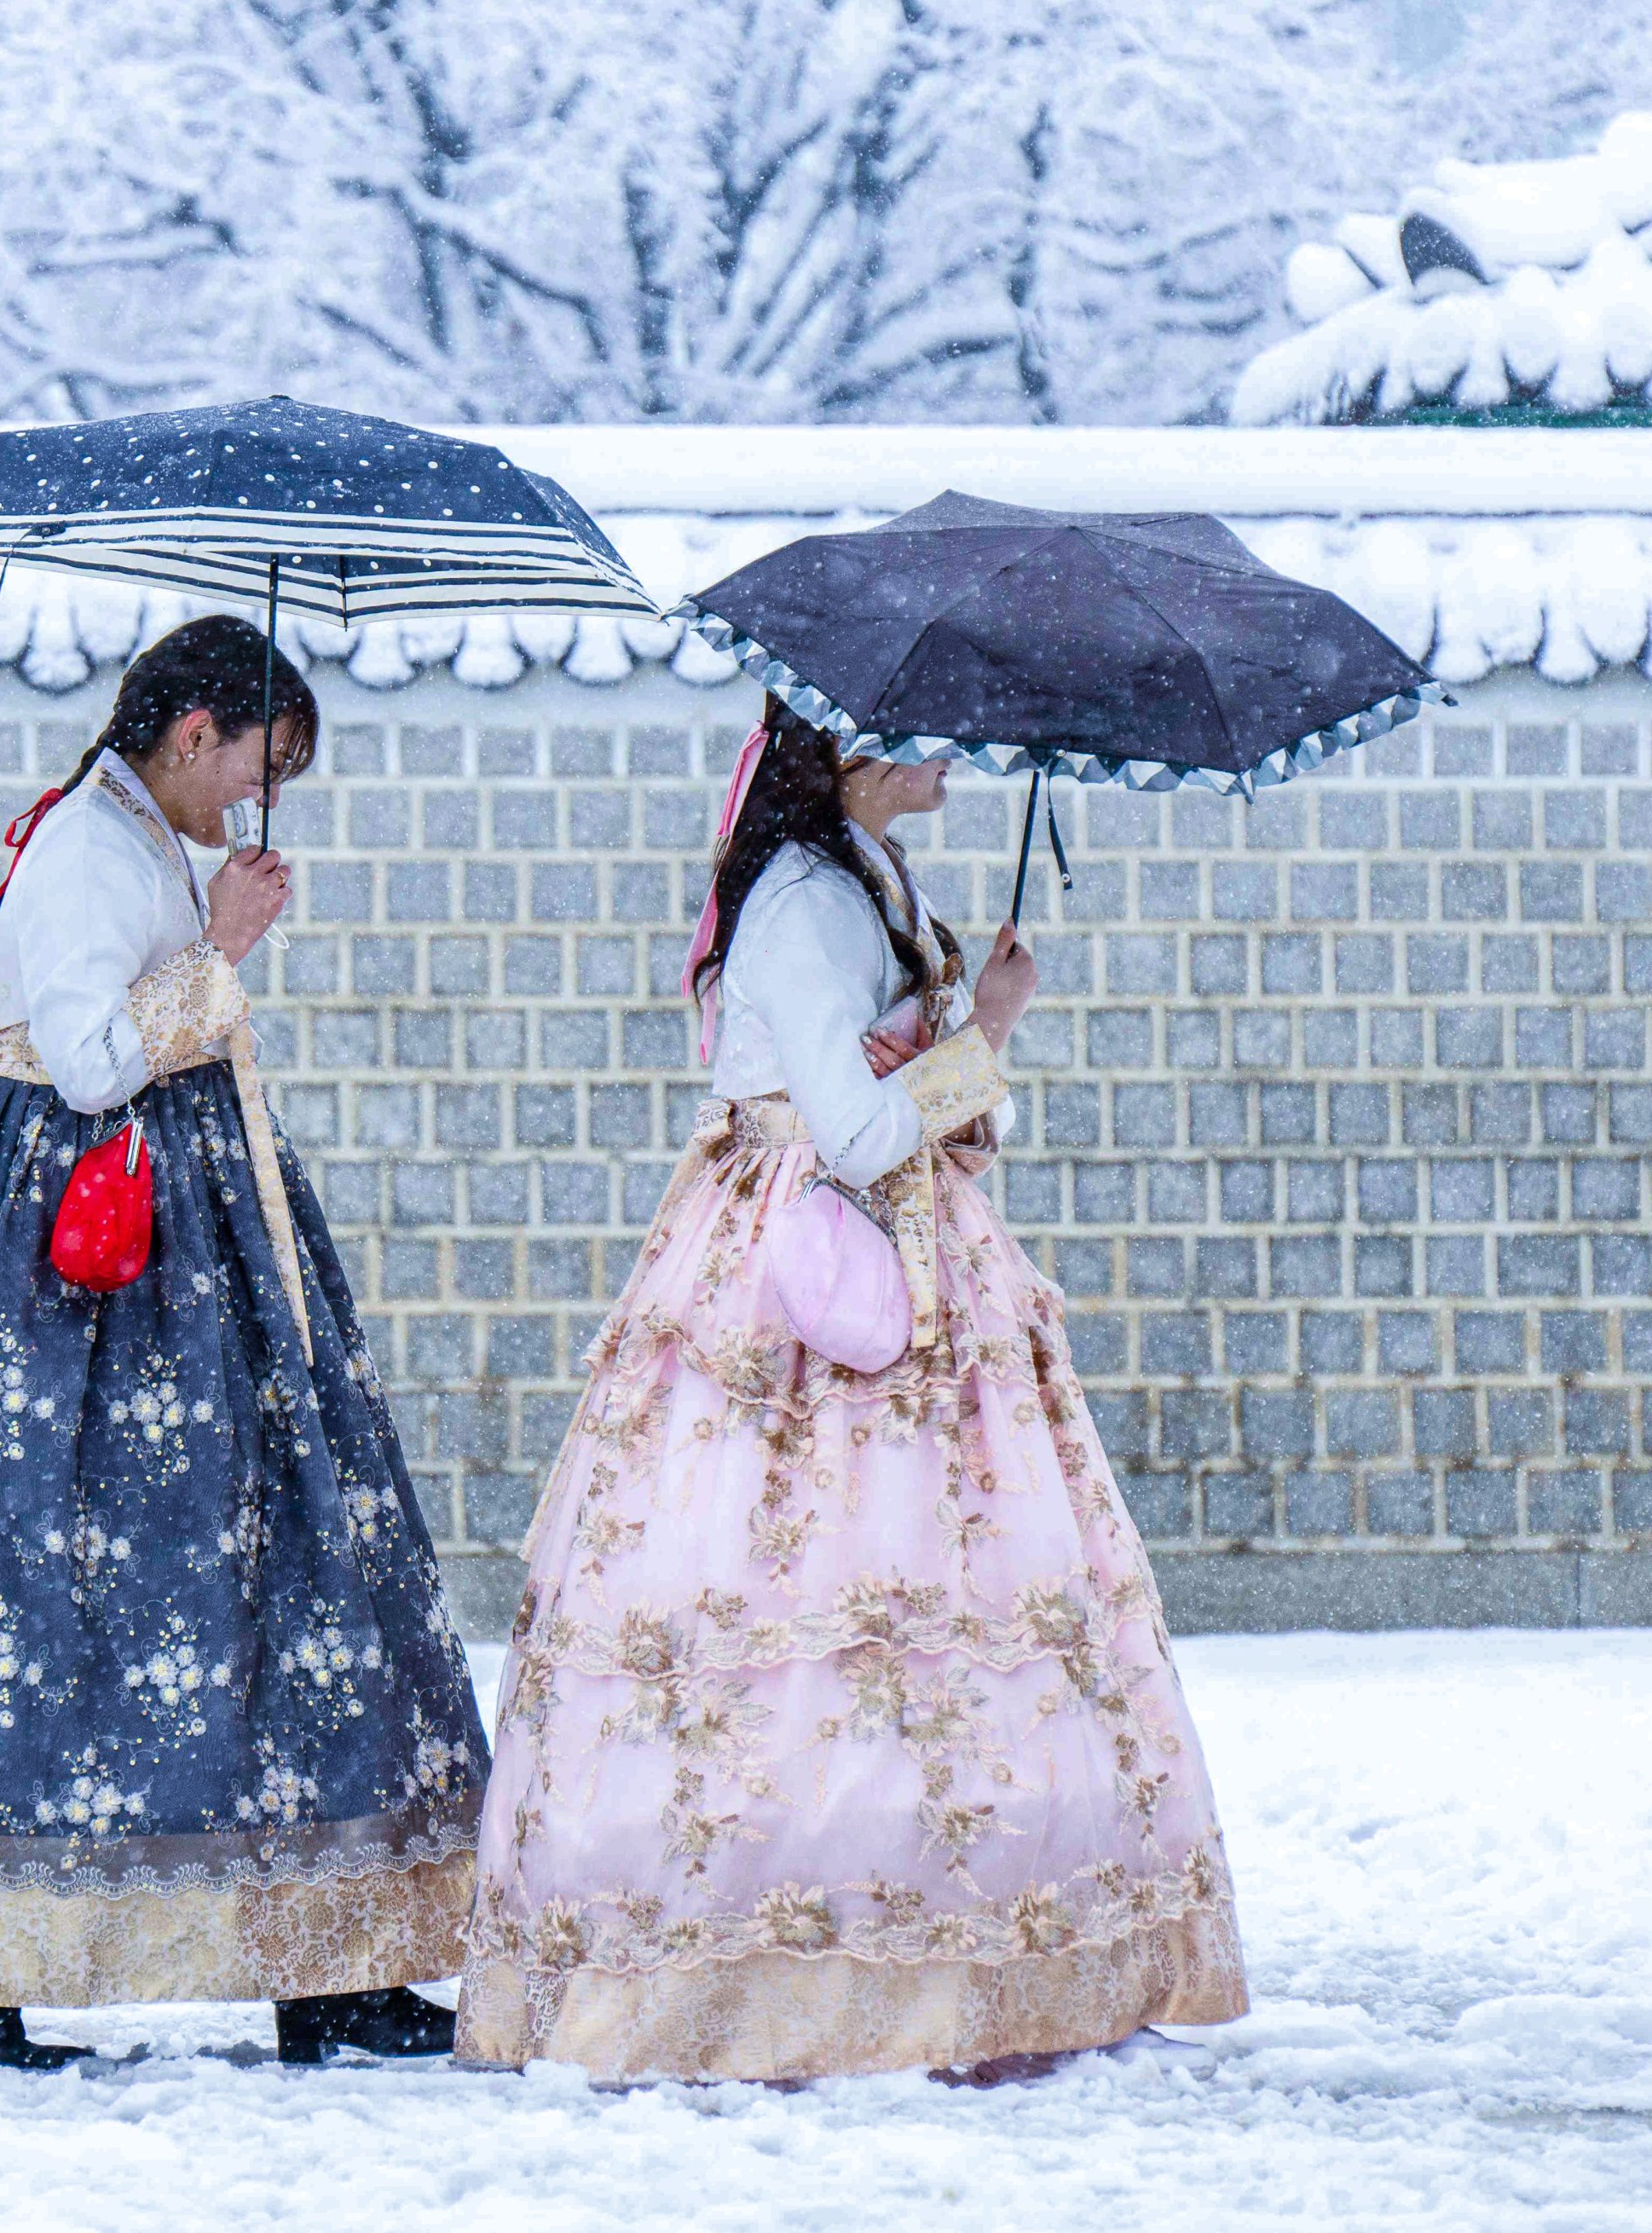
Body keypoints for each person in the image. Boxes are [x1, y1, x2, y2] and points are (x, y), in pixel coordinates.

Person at [0, 617, 487, 2069]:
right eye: (260, 767)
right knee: (33, 1579)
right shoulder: (86, 845)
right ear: (193, 732)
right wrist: (225, 950)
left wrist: (207, 938)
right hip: (76, 1259)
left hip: (180, 1239)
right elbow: (83, 1063)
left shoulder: (134, 841)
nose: (258, 805)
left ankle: (334, 1951)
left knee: (272, 1568)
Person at [456, 707, 1247, 2086]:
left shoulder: (875, 875)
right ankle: (770, 1955)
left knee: (935, 1598)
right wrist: (974, 1034)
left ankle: (944, 1922)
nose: (959, 762)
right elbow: (862, 1128)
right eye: (932, 739)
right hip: (803, 1274)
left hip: (911, 1252)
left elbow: (932, 1119)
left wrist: (967, 1032)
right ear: (851, 756)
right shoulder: (804, 901)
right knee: (781, 1592)